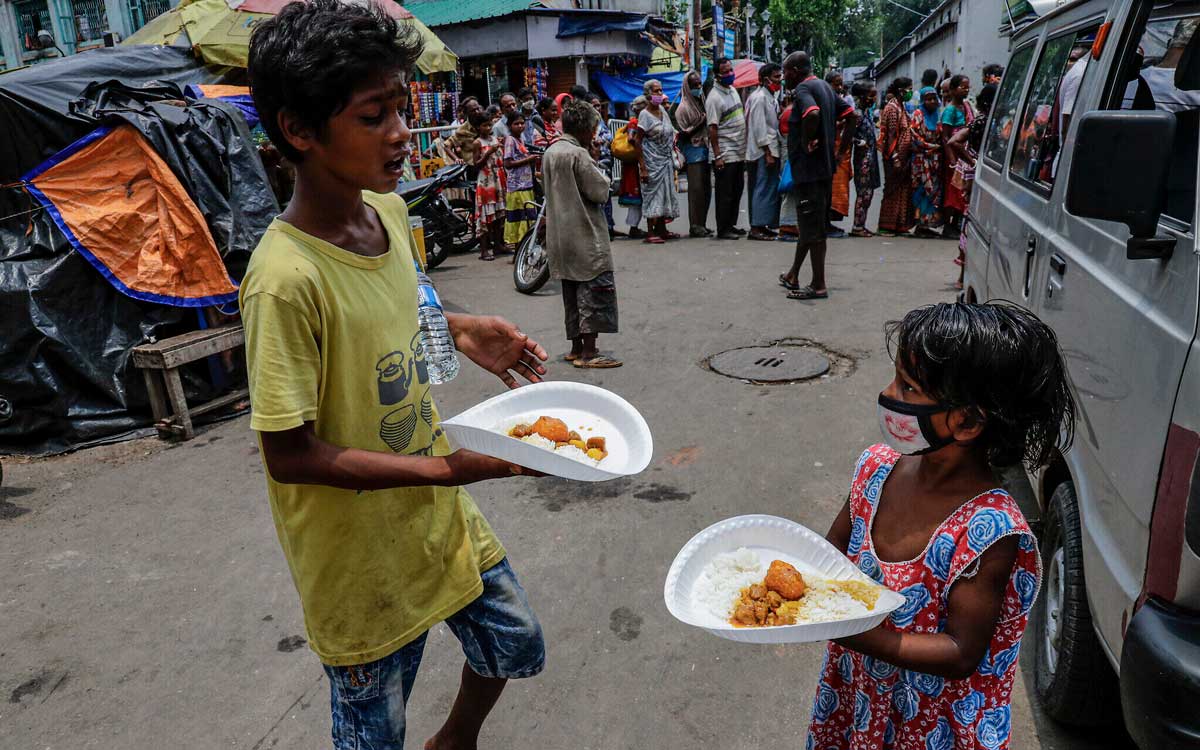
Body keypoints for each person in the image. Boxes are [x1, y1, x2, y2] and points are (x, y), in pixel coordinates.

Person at [242, 3, 550, 749]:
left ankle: (455, 739)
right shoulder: (284, 280)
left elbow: (399, 306)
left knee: (515, 642)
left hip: (436, 524)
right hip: (358, 568)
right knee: (374, 733)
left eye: (401, 107)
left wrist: (464, 327)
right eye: (374, 115)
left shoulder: (384, 209)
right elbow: (289, 453)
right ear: (299, 130)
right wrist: (448, 469)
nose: (401, 132)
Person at [807, 301, 1074, 750]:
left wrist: (854, 632)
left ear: (967, 421)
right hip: (860, 696)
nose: (889, 393)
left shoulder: (987, 529)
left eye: (908, 387)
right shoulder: (875, 470)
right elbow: (829, 555)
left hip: (928, 728)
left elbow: (960, 652)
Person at [542, 100, 622, 369]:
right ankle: (589, 352)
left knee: (572, 293)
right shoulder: (579, 155)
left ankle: (576, 347)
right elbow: (599, 190)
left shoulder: (551, 152)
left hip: (560, 235)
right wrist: (598, 163)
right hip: (584, 233)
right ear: (587, 129)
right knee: (592, 291)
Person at [779, 51, 855, 301]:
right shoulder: (824, 86)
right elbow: (852, 116)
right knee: (809, 223)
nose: (783, 77)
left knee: (813, 227)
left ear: (797, 70)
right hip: (824, 169)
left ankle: (818, 284)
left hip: (809, 171)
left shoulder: (803, 90)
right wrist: (842, 150)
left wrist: (807, 139)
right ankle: (793, 273)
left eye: (786, 71)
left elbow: (811, 114)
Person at [635, 79, 681, 244]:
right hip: (651, 160)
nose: (660, 94)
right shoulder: (644, 115)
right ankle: (650, 232)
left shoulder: (662, 110)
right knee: (652, 194)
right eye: (656, 91)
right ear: (648, 94)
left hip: (665, 159)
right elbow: (637, 142)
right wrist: (643, 168)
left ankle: (662, 229)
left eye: (661, 91)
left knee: (665, 193)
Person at [707, 57, 748, 239]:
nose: (730, 74)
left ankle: (731, 224)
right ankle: (723, 228)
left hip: (738, 150)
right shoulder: (714, 98)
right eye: (725, 72)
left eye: (731, 70)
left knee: (737, 189)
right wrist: (718, 156)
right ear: (717, 75)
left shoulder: (732, 90)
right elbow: (712, 128)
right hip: (725, 151)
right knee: (725, 193)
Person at [745, 62, 784, 241]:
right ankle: (756, 227)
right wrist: (768, 152)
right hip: (762, 151)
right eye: (776, 77)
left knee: (768, 188)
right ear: (766, 79)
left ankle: (763, 224)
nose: (780, 80)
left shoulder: (771, 97)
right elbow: (759, 128)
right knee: (762, 188)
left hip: (770, 148)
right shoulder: (759, 98)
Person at [675, 69, 712, 237]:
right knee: (696, 190)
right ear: (687, 87)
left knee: (705, 189)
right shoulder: (683, 108)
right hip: (693, 151)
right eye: (694, 85)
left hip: (705, 149)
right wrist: (700, 123)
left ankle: (702, 223)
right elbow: (683, 134)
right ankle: (695, 225)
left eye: (699, 84)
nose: (698, 87)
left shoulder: (702, 101)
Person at [878, 77, 915, 236]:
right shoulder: (892, 108)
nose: (910, 92)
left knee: (903, 190)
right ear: (901, 90)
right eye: (909, 89)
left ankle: (899, 224)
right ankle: (886, 225)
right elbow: (891, 135)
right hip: (895, 157)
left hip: (904, 157)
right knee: (892, 191)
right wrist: (895, 157)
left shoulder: (901, 106)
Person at [940, 74, 974, 239]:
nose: (966, 90)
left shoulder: (967, 106)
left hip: (965, 153)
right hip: (955, 156)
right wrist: (953, 159)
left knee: (963, 190)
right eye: (962, 87)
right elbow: (946, 137)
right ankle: (949, 225)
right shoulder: (950, 110)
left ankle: (957, 223)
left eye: (968, 87)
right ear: (952, 90)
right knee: (953, 191)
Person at [910, 86, 944, 238]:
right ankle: (920, 225)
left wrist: (938, 148)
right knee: (921, 190)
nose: (931, 101)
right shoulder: (917, 114)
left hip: (935, 160)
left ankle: (927, 224)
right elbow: (914, 136)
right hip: (921, 159)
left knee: (933, 191)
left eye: (934, 98)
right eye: (928, 99)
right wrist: (931, 147)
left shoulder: (938, 115)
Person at [502, 111, 538, 252]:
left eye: (522, 123)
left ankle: (522, 251)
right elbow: (508, 163)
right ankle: (518, 252)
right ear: (510, 126)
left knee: (526, 218)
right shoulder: (510, 140)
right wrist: (528, 160)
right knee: (519, 219)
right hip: (517, 186)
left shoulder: (521, 139)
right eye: (516, 123)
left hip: (526, 184)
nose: (520, 126)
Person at [472, 111, 505, 261]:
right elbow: (476, 164)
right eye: (485, 125)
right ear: (478, 127)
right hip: (485, 181)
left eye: (489, 124)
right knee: (485, 216)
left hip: (497, 179)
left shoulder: (494, 139)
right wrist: (487, 153)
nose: (488, 128)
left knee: (498, 215)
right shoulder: (477, 143)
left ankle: (498, 245)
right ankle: (484, 250)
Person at [850, 81, 881, 238]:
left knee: (868, 194)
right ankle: (857, 226)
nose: (874, 98)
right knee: (864, 194)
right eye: (871, 95)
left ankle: (861, 224)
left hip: (870, 159)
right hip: (863, 161)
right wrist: (859, 142)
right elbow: (847, 136)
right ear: (863, 96)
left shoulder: (867, 113)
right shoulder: (857, 115)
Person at [825, 71, 853, 236]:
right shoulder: (826, 100)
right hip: (830, 150)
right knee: (828, 190)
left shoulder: (837, 101)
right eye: (836, 84)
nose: (840, 87)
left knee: (834, 190)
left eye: (841, 84)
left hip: (837, 150)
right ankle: (825, 224)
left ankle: (828, 222)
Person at [617, 96, 648, 239]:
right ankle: (634, 228)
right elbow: (631, 139)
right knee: (637, 197)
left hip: (635, 163)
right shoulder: (635, 123)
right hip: (634, 165)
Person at [589, 93, 618, 238]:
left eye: (598, 105)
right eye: (593, 105)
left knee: (607, 192)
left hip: (605, 161)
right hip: (593, 161)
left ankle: (609, 226)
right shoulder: (587, 122)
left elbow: (608, 137)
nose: (597, 108)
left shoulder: (601, 122)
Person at [776, 95, 798, 241]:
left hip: (789, 152)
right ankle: (787, 226)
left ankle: (790, 225)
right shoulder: (790, 113)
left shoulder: (789, 111)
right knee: (790, 189)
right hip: (789, 153)